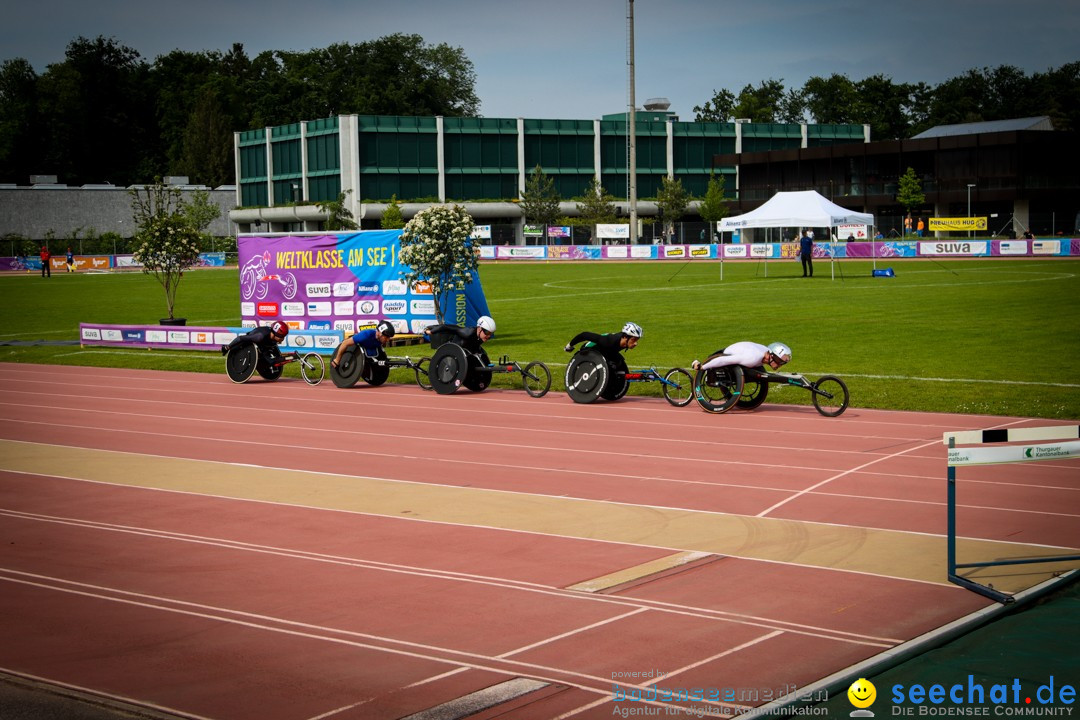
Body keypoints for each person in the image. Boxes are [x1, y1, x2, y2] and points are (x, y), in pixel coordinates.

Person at [564, 322, 642, 362]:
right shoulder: (609, 341)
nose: (636, 343)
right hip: (588, 350)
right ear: (625, 337)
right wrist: (569, 346)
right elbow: (584, 335)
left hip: (605, 352)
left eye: (636, 340)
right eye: (634, 340)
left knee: (619, 361)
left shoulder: (623, 342)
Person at [691, 341, 791, 373]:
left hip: (744, 348)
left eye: (783, 362)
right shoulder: (752, 358)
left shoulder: (766, 352)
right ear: (771, 356)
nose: (780, 364)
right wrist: (702, 367)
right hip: (728, 352)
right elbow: (723, 360)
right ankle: (696, 363)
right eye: (779, 361)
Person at [424, 315, 496, 353]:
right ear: (479, 329)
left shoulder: (481, 337)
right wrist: (431, 332)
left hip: (466, 351)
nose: (488, 336)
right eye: (487, 332)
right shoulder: (468, 332)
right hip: (454, 350)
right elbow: (446, 327)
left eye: (490, 334)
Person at [220, 320, 289, 357]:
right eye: (281, 336)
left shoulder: (273, 338)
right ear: (275, 334)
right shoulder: (259, 337)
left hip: (264, 343)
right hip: (252, 339)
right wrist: (227, 347)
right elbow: (240, 338)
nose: (283, 339)